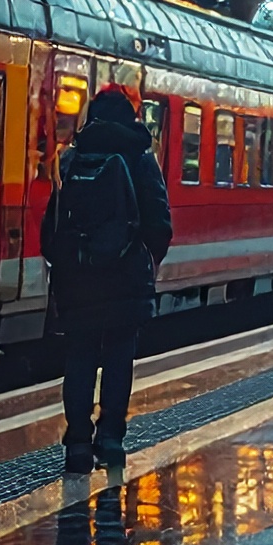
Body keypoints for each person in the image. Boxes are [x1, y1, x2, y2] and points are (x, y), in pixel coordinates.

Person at [41, 88, 173, 473]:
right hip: (125, 276)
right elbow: (158, 219)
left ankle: (78, 443)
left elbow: (52, 222)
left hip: (77, 278)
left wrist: (65, 263)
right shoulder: (139, 157)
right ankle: (111, 437)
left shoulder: (71, 157)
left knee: (79, 358)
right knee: (118, 359)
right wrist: (146, 260)